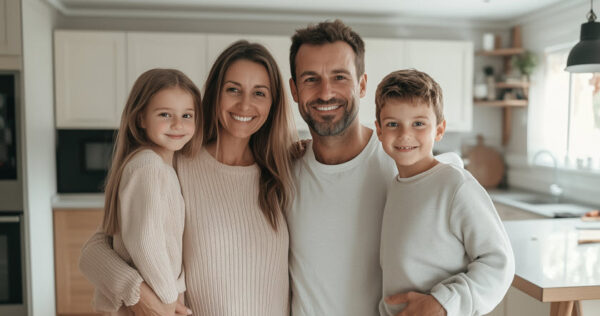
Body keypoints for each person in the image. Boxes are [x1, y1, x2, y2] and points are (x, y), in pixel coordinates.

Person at [79, 40, 299, 316]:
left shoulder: (285, 170)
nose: (245, 104)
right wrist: (142, 299)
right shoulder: (176, 163)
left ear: (273, 102)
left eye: (259, 93)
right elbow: (93, 253)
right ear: (214, 94)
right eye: (233, 89)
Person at [285, 20, 464, 316]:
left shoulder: (406, 164)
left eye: (340, 77)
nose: (326, 92)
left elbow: (491, 263)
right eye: (310, 79)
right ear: (294, 90)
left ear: (362, 85)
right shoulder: (285, 170)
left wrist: (444, 303)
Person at [374, 69, 514, 316]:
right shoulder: (395, 185)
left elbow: (499, 264)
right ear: (379, 131)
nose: (405, 134)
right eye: (393, 124)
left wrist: (442, 304)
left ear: (439, 130)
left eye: (418, 123)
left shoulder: (456, 186)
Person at [90, 68, 202, 316]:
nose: (177, 124)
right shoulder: (148, 167)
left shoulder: (161, 166)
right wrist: (169, 300)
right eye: (165, 114)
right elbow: (147, 244)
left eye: (187, 115)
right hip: (149, 304)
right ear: (140, 118)